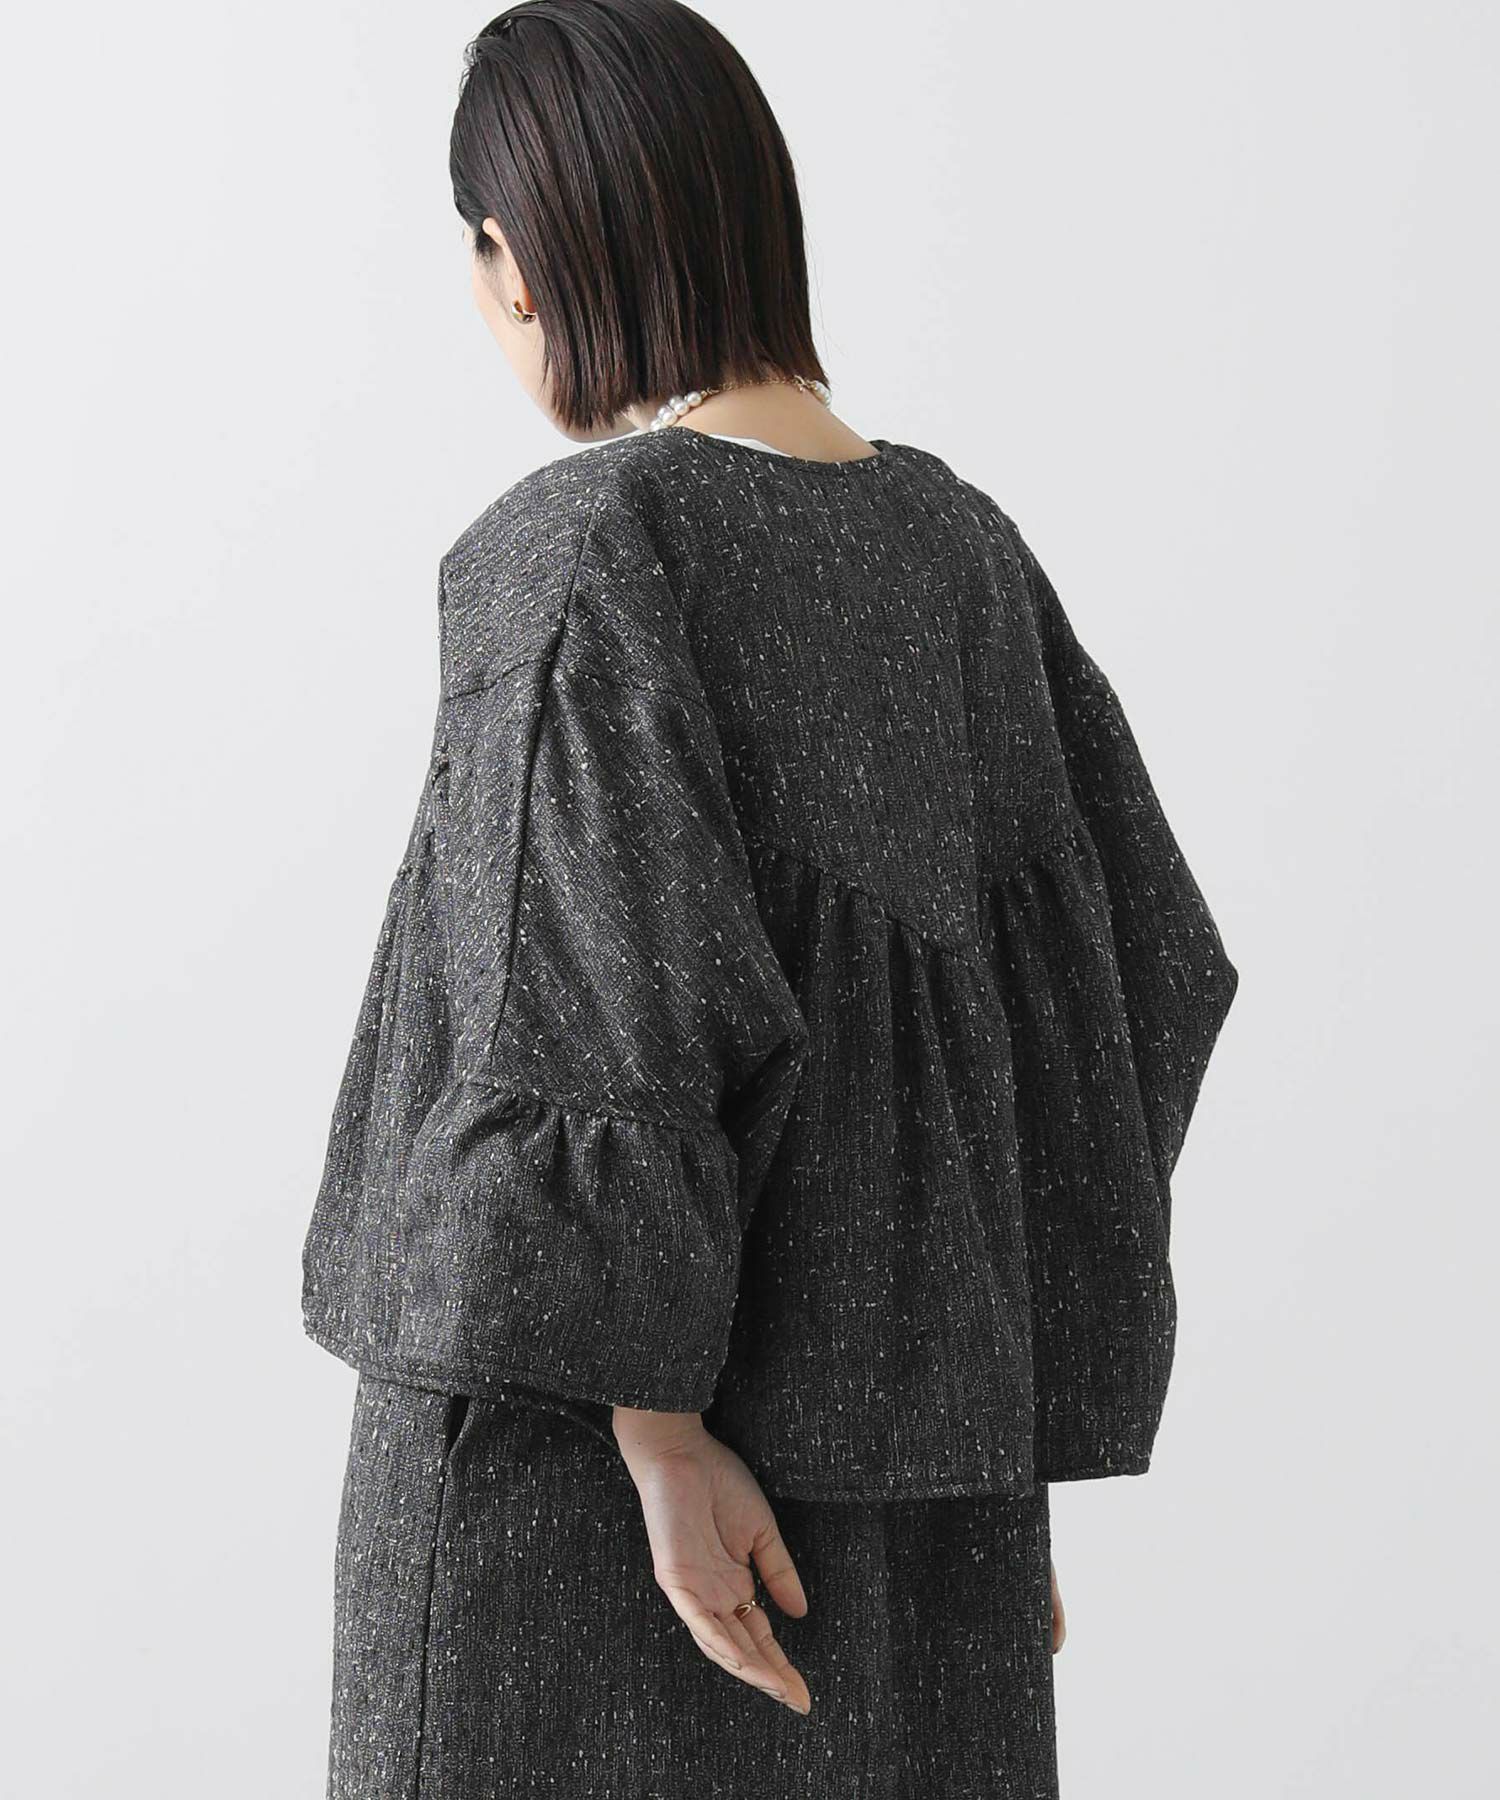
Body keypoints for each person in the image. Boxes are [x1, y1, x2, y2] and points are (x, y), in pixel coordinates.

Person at [301, 2, 1239, 1793]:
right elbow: (1129, 999)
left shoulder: (589, 548)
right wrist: (981, 1436)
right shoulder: (966, 553)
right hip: (918, 1499)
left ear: (517, 261)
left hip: (590, 1498)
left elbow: (571, 1002)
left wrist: (661, 1433)